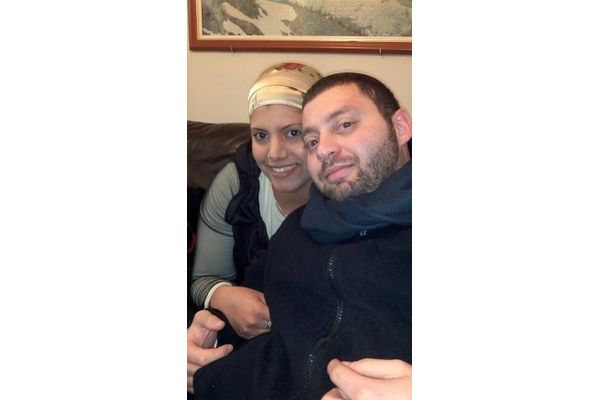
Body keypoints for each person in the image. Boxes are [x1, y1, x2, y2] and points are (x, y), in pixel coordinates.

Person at [188, 72, 412, 399]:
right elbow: (241, 315)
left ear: (401, 127)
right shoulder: (296, 230)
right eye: (312, 141)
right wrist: (203, 341)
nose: (324, 150)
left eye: (344, 125)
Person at [189, 63, 323, 339]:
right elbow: (203, 279)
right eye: (261, 136)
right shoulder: (236, 183)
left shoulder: (348, 186)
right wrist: (224, 296)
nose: (274, 153)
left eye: (293, 133)